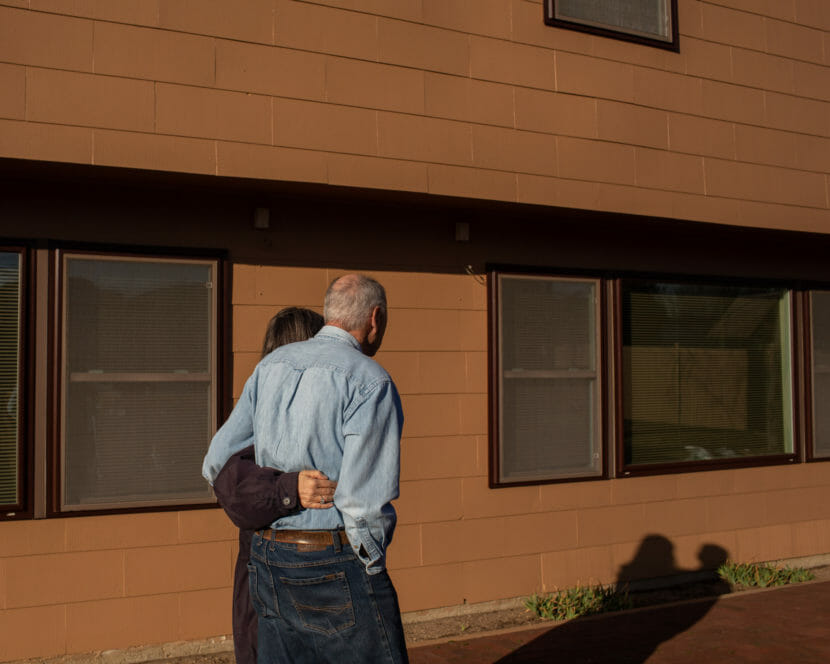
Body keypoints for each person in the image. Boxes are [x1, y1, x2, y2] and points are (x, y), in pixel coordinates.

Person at [202, 274, 407, 664]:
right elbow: (362, 505)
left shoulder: (270, 367)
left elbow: (216, 458)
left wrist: (279, 487)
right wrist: (370, 566)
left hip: (266, 559)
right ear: (375, 318)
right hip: (333, 559)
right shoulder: (370, 380)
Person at [207, 307, 336, 664]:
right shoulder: (264, 408)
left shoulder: (327, 406)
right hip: (269, 573)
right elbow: (226, 478)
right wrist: (290, 488)